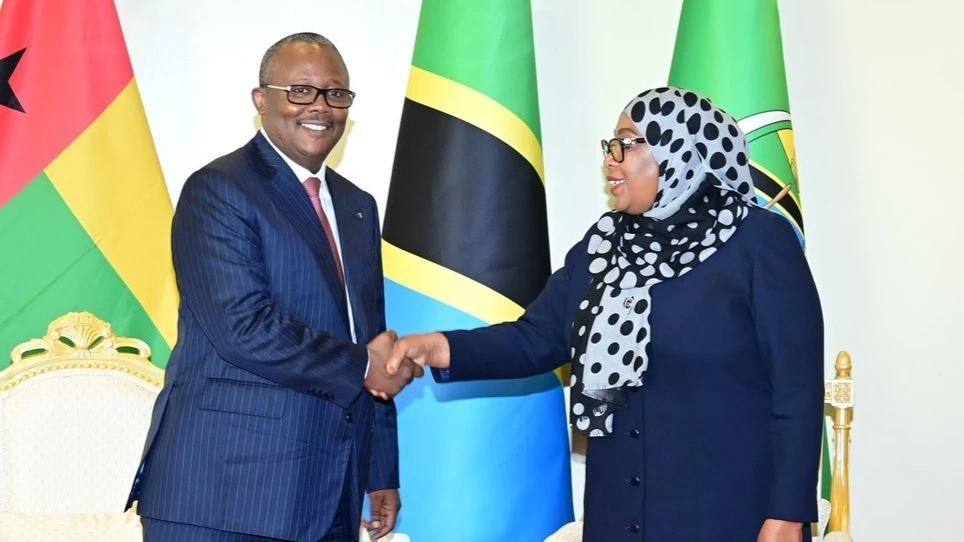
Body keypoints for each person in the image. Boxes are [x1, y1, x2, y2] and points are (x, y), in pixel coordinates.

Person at [387, 87, 824, 542]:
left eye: (625, 143)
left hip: (728, 511)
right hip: (620, 512)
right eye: (609, 146)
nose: (610, 160)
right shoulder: (603, 246)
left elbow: (796, 390)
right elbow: (535, 338)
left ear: (678, 148)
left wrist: (788, 513)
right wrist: (437, 347)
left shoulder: (758, 242)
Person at [127, 32, 422, 542]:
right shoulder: (218, 189)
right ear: (261, 100)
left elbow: (369, 334)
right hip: (226, 494)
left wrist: (380, 471)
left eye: (336, 94)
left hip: (331, 489)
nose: (321, 107)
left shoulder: (358, 206)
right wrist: (366, 365)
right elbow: (244, 328)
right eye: (301, 91)